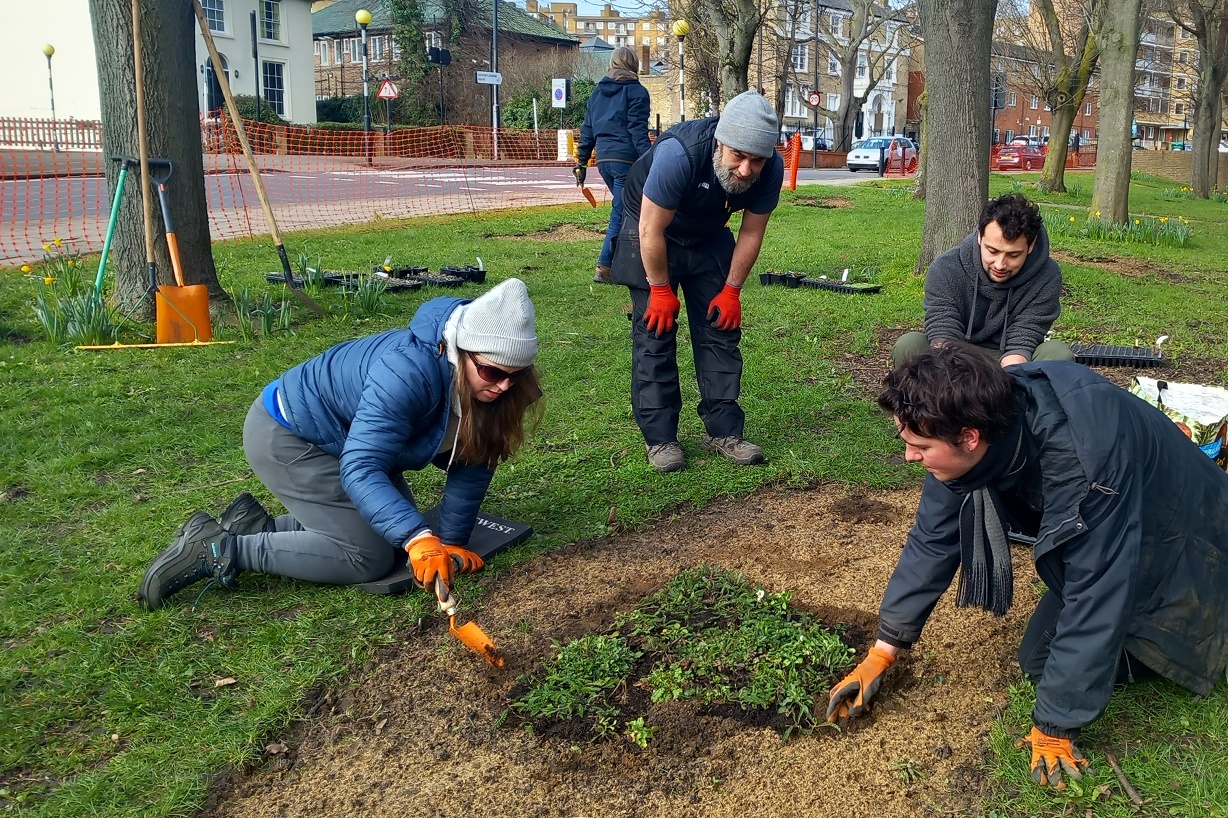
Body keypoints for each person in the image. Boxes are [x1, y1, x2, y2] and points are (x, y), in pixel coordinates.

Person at [824, 345, 1228, 789]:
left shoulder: (1083, 464)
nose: (909, 456)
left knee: (1150, 609)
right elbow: (932, 539)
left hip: (1174, 516)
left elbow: (1097, 589)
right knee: (1039, 661)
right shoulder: (964, 427)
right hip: (1127, 504)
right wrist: (884, 652)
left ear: (969, 438)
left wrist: (1055, 725)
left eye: (919, 447)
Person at [138, 279, 545, 610]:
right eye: (492, 371)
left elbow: (474, 459)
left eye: (515, 374)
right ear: (461, 353)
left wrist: (452, 541)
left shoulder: (499, 385)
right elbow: (362, 466)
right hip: (289, 434)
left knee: (392, 533)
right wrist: (420, 540)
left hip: (347, 440)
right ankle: (219, 549)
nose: (504, 385)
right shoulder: (408, 372)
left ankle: (254, 527)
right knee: (368, 557)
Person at [607, 90, 784, 473]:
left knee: (721, 329)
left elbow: (752, 233)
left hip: (708, 232)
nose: (746, 170)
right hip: (653, 232)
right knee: (656, 332)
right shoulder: (679, 154)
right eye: (739, 156)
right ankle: (661, 439)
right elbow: (650, 229)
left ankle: (723, 431)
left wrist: (732, 291)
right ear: (720, 142)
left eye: (757, 160)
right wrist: (659, 290)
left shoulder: (769, 167)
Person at [891, 193, 1076, 370]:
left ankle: (1023, 403)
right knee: (909, 345)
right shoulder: (946, 267)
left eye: (1013, 255)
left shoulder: (1047, 275)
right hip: (955, 353)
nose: (1000, 264)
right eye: (992, 251)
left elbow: (1024, 337)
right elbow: (943, 332)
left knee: (1058, 354)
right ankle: (927, 403)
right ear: (980, 236)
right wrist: (961, 382)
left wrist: (1001, 384)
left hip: (1012, 358)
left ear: (1031, 245)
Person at [576, 46, 652, 285]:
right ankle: (605, 265)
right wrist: (651, 160)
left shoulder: (597, 93)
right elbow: (637, 129)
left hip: (604, 160)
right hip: (626, 159)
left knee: (629, 209)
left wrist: (581, 162)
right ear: (634, 66)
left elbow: (587, 129)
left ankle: (630, 261)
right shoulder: (637, 92)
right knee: (621, 213)